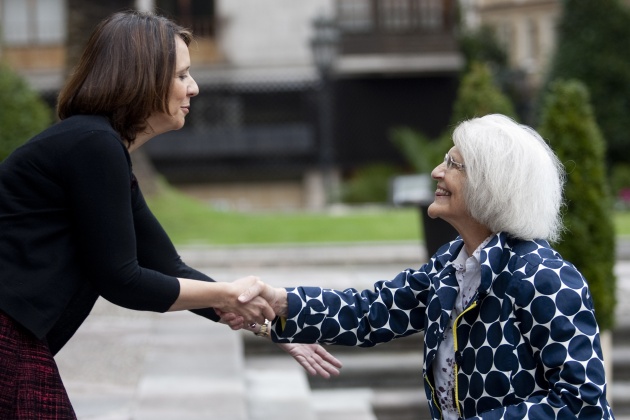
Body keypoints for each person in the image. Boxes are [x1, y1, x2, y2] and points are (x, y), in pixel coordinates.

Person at [0, 10, 340, 419]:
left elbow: (166, 264)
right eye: (181, 76)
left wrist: (268, 326)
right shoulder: (92, 145)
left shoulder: (97, 146)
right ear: (140, 77)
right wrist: (229, 294)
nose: (193, 88)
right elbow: (122, 280)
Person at [235, 114, 615, 419]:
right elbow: (371, 312)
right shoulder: (451, 264)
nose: (436, 171)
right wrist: (281, 301)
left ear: (490, 185)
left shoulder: (545, 277)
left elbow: (581, 403)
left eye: (454, 164)